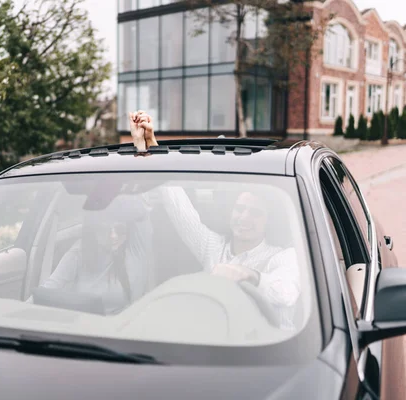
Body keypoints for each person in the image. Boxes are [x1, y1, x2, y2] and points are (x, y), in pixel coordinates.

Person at [129, 110, 301, 330]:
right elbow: (175, 200)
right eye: (240, 209)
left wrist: (246, 275)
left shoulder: (282, 256)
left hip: (273, 352)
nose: (244, 217)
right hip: (218, 341)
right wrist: (146, 144)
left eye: (255, 213)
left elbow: (286, 292)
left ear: (269, 221)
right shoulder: (213, 246)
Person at [39, 195, 153, 315]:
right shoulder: (78, 255)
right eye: (105, 229)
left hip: (128, 331)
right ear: (94, 231)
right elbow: (47, 290)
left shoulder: (136, 250)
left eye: (119, 229)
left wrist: (111, 193)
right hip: (87, 330)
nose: (113, 236)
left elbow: (142, 209)